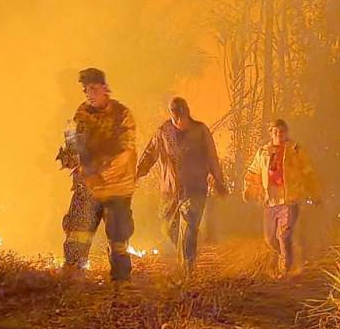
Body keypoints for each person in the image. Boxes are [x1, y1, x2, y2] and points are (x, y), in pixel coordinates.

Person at [56, 68, 137, 282]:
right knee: (77, 232)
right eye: (85, 90)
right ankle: (72, 280)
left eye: (92, 88)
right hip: (88, 185)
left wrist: (98, 168)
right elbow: (75, 145)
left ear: (105, 88)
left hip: (116, 186)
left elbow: (124, 151)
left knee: (119, 240)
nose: (89, 94)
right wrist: (70, 156)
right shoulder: (82, 113)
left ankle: (120, 289)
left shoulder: (122, 114)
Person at [136, 97, 228, 273]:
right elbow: (150, 154)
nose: (178, 121)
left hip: (195, 188)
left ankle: (188, 271)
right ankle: (187, 251)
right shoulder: (163, 132)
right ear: (171, 115)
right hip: (170, 190)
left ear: (187, 114)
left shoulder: (200, 131)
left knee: (188, 228)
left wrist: (218, 180)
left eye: (181, 117)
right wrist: (138, 173)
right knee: (167, 227)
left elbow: (212, 156)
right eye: (175, 117)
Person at [242, 119, 320, 277]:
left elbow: (308, 172)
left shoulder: (295, 150)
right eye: (276, 131)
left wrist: (315, 192)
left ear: (287, 133)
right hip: (270, 201)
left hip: (290, 199)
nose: (279, 134)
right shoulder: (263, 152)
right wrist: (248, 189)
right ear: (271, 133)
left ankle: (286, 269)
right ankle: (285, 255)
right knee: (270, 239)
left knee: (283, 235)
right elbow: (253, 172)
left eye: (282, 131)